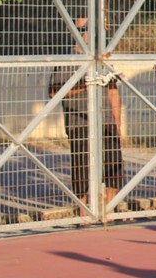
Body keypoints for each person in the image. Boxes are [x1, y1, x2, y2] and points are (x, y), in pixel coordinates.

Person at [48, 18, 124, 209]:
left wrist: (117, 124)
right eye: (85, 29)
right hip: (79, 120)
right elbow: (54, 92)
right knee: (82, 166)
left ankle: (109, 208)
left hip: (105, 120)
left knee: (113, 165)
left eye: (92, 29)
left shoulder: (104, 59)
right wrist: (88, 83)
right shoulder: (68, 59)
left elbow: (113, 92)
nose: (88, 34)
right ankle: (83, 210)